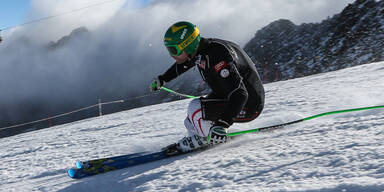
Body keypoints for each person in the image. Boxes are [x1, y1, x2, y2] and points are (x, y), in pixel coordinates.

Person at [150, 21, 265, 152]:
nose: (172, 55)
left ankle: (204, 139)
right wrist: (163, 79)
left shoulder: (217, 57)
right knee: (190, 121)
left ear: (188, 45)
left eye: (173, 50)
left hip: (249, 104)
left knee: (196, 109)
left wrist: (222, 124)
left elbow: (240, 94)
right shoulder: (201, 50)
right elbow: (184, 64)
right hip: (229, 96)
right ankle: (199, 137)